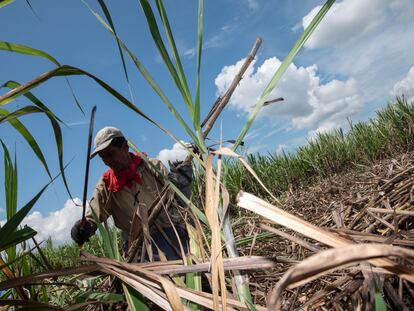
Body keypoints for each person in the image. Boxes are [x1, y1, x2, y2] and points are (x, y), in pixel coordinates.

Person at [71, 126, 192, 261]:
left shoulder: (152, 166)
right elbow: (93, 218)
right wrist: (83, 229)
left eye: (110, 154)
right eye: (102, 157)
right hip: (138, 247)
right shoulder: (106, 185)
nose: (107, 161)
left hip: (171, 236)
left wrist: (183, 184)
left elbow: (178, 200)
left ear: (125, 147)